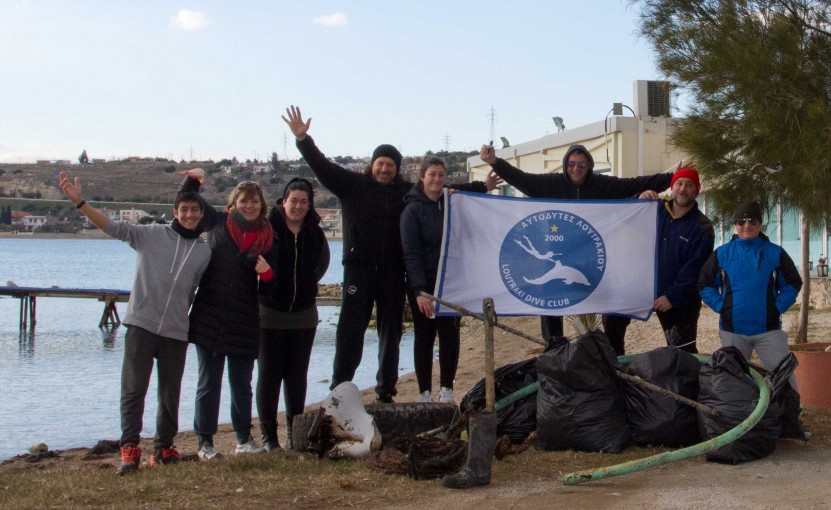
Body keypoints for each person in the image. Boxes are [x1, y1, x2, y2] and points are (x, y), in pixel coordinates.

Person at [283, 105, 486, 403]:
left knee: (390, 331)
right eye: (380, 163)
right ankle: (340, 388)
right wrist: (303, 140)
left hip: (393, 270)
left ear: (397, 168)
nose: (384, 169)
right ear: (372, 164)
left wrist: (481, 186)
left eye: (390, 164)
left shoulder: (405, 191)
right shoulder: (352, 185)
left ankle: (386, 390)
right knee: (350, 329)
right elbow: (322, 166)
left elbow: (439, 185)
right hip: (358, 269)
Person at [58, 172, 211, 475]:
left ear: (201, 213)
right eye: (184, 210)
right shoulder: (150, 234)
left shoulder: (204, 251)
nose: (190, 215)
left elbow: (192, 290)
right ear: (175, 213)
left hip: (175, 332)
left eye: (195, 210)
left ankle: (164, 449)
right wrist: (80, 204)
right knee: (133, 390)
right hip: (141, 325)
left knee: (170, 393)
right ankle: (130, 450)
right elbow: (112, 227)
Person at [479, 143, 678, 350]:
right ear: (565, 165)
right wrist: (495, 162)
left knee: (612, 303)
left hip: (593, 257)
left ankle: (613, 354)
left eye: (581, 164)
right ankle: (554, 350)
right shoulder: (552, 184)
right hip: (557, 255)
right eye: (571, 164)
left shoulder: (602, 184)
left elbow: (634, 184)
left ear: (589, 165)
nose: (576, 168)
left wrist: (671, 176)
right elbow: (521, 178)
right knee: (550, 304)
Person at [179, 170, 277, 459]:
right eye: (244, 200)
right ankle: (204, 443)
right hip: (210, 313)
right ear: (234, 202)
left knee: (241, 383)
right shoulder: (217, 222)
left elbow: (273, 283)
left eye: (255, 201)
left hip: (245, 317)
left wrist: (267, 273)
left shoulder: (269, 236)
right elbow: (189, 201)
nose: (250, 206)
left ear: (262, 205)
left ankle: (243, 440)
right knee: (208, 381)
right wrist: (193, 180)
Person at [400, 157, 499, 404]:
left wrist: (484, 187)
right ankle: (424, 392)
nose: (436, 179)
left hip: (453, 282)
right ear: (422, 177)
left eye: (441, 175)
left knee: (450, 337)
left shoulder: (451, 201)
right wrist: (420, 291)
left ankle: (446, 390)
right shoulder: (412, 210)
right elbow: (411, 254)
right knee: (424, 337)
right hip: (426, 286)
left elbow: (466, 191)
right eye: (431, 174)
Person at [602, 168, 715, 354]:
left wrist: (672, 296)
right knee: (613, 321)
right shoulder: (654, 209)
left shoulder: (702, 227)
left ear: (697, 189)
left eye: (689, 185)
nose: (683, 189)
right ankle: (616, 370)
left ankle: (682, 381)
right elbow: (622, 213)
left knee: (682, 350)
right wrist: (638, 199)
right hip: (640, 286)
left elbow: (695, 269)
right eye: (679, 184)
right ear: (672, 188)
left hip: (677, 297)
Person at [257, 178, 330, 451]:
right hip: (270, 312)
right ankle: (268, 438)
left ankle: (293, 433)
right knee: (269, 374)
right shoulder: (269, 229)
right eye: (293, 200)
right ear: (283, 201)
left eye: (304, 201)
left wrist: (306, 286)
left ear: (309, 204)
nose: (298, 206)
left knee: (297, 376)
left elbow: (321, 265)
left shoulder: (314, 232)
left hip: (303, 314)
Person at [699, 202, 802, 388]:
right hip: (732, 330)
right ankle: (738, 415)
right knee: (732, 378)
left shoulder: (775, 252)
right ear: (734, 225)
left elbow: (793, 283)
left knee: (783, 375)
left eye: (752, 221)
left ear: (760, 224)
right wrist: (722, 306)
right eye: (741, 221)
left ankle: (792, 414)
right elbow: (705, 285)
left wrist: (776, 307)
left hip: (768, 329)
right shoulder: (722, 254)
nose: (747, 225)